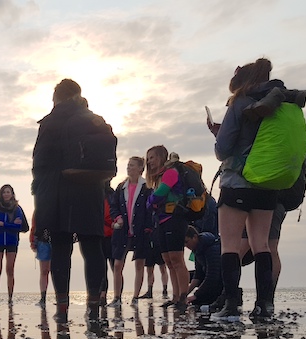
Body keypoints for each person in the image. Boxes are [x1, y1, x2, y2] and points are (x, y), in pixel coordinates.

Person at [209, 58, 305, 321]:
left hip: (237, 181)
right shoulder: (282, 101)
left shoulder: (240, 102)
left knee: (229, 246)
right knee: (262, 245)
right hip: (268, 184)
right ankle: (265, 305)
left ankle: (230, 306)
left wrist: (218, 135)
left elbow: (223, 149)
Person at [32, 79, 109, 324]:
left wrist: (40, 195)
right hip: (90, 190)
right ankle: (94, 305)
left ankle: (62, 307)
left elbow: (40, 162)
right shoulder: (94, 119)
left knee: (61, 249)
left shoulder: (49, 122)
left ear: (56, 97)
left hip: (58, 191)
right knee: (92, 249)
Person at [145, 146, 190, 309]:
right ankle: (176, 296)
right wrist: (152, 202)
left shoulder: (170, 173)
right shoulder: (157, 178)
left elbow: (159, 195)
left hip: (175, 219)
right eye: (148, 158)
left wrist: (151, 201)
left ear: (162, 157)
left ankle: (183, 297)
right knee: (168, 260)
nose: (149, 161)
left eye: (152, 157)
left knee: (177, 259)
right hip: (162, 221)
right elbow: (154, 198)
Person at [108, 156, 150, 306]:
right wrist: (117, 217)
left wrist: (148, 227)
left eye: (132, 165)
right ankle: (117, 298)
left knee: (139, 264)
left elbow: (150, 209)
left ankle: (135, 297)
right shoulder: (121, 187)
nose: (129, 168)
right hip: (122, 231)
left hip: (141, 231)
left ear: (140, 168)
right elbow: (113, 206)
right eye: (128, 165)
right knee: (118, 264)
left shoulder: (147, 187)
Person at [0, 184, 26, 306]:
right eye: (4, 192)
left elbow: (19, 226)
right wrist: (10, 224)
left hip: (12, 242)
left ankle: (10, 298)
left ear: (12, 194)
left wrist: (4, 224)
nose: (6, 194)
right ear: (1, 194)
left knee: (10, 270)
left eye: (8, 192)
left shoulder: (17, 209)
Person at [184, 225, 223, 309]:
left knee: (197, 302)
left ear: (195, 237)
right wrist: (184, 295)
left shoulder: (212, 248)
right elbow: (198, 275)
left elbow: (212, 276)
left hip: (219, 284)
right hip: (211, 281)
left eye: (186, 242)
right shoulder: (198, 250)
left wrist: (196, 295)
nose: (186, 246)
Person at [30, 212, 51, 308]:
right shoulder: (39, 208)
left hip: (57, 240)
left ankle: (60, 297)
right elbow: (34, 226)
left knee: (55, 270)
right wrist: (33, 241)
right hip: (43, 241)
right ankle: (43, 297)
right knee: (44, 271)